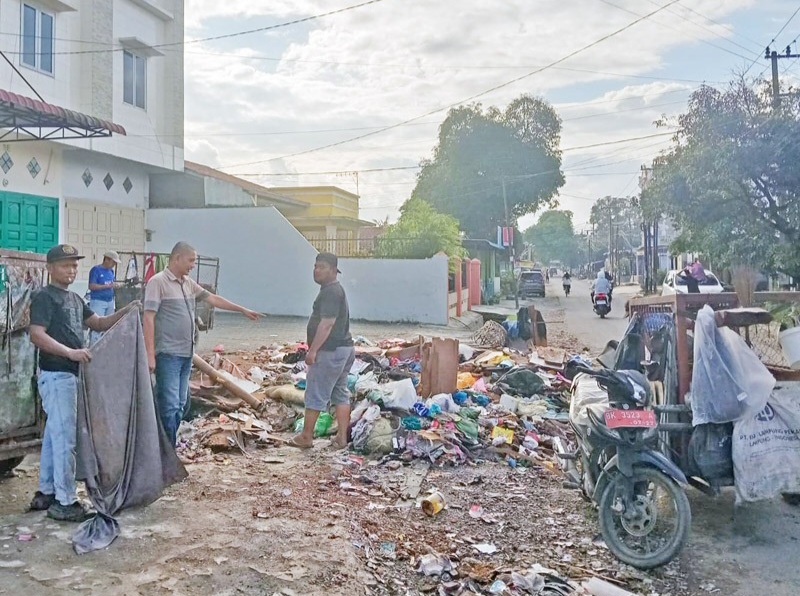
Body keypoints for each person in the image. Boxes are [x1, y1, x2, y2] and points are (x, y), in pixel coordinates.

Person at [28, 244, 141, 522]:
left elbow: (100, 323)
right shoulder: (44, 297)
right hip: (56, 375)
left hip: (69, 374)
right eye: (66, 265)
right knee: (65, 438)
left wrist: (127, 310)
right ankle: (65, 502)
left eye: (74, 265)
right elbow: (36, 335)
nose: (71, 269)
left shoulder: (75, 299)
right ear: (50, 268)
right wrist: (70, 353)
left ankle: (46, 491)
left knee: (55, 435)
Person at [143, 242, 261, 447]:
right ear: (177, 258)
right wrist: (150, 354)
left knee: (180, 405)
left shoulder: (187, 283)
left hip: (186, 353)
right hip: (168, 354)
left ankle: (168, 450)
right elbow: (148, 318)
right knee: (169, 406)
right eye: (190, 261)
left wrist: (241, 309)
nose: (192, 266)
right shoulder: (158, 282)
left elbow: (213, 299)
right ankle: (166, 455)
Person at [288, 253, 355, 450]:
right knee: (340, 393)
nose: (317, 270)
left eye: (322, 267)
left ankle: (306, 436)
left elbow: (327, 324)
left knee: (315, 393)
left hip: (330, 351)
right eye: (315, 266)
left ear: (334, 271)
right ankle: (342, 438)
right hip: (345, 349)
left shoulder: (331, 292)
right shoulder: (334, 290)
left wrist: (312, 351)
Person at [87, 250, 122, 344]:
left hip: (110, 301)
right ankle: (93, 346)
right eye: (113, 262)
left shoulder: (111, 271)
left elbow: (111, 283)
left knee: (109, 325)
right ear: (107, 260)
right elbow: (91, 286)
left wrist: (115, 285)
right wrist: (107, 286)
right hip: (98, 301)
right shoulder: (96, 270)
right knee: (96, 326)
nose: (114, 264)